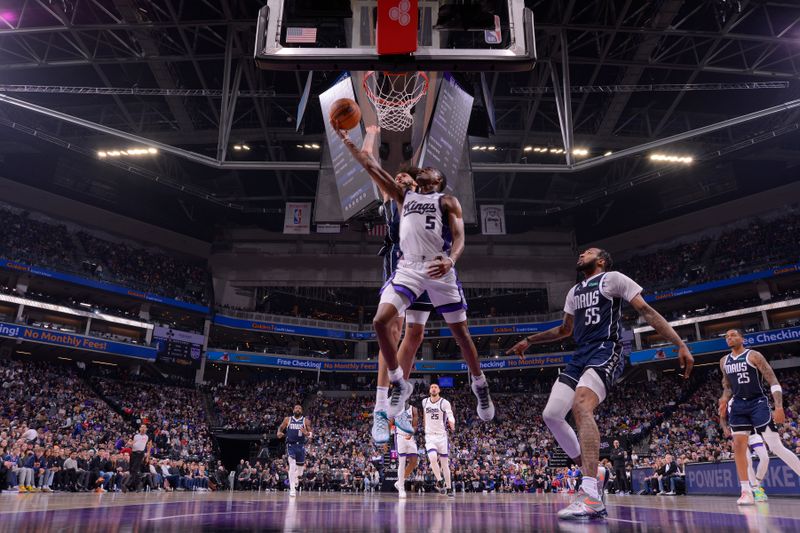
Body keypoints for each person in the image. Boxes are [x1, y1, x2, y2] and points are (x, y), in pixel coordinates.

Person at [508, 247, 694, 520]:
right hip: (580, 354)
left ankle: (591, 494)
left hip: (607, 349)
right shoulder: (574, 292)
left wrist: (679, 343)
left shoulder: (614, 278)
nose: (582, 254)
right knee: (551, 414)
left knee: (581, 406)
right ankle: (594, 471)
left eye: (588, 252)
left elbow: (647, 310)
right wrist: (530, 340)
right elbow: (564, 330)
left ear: (602, 260)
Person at [334, 124, 494, 423]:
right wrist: (347, 140)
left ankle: (479, 383)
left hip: (438, 267)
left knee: (460, 334)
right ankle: (397, 381)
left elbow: (459, 237)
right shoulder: (402, 196)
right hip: (408, 267)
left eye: (431, 170)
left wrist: (452, 259)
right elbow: (369, 163)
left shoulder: (447, 200)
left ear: (438, 181)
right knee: (381, 321)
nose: (427, 170)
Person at [362, 125, 433, 444]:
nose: (400, 178)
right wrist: (372, 132)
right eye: (398, 178)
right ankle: (381, 408)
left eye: (407, 178)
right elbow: (366, 159)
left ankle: (399, 403)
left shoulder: (426, 202)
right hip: (397, 264)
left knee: (413, 338)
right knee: (391, 332)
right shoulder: (392, 196)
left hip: (426, 266)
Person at [718, 328, 800, 505]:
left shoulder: (754, 356)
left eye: (733, 335)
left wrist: (778, 406)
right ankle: (746, 491)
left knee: (775, 446)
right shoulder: (724, 361)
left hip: (758, 403)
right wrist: (724, 399)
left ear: (742, 338)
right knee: (739, 447)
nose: (729, 338)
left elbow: (773, 380)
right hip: (738, 405)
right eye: (726, 336)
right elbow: (728, 386)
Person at [422, 383, 456, 498]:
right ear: (429, 390)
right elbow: (425, 416)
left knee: (445, 464)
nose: (433, 388)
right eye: (432, 387)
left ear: (439, 390)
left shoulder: (444, 402)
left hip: (442, 436)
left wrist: (452, 422)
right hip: (430, 435)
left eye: (436, 387)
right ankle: (440, 480)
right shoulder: (424, 402)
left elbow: (450, 414)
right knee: (431, 457)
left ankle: (449, 487)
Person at [277, 404, 312, 497]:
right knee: (292, 466)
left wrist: (307, 433)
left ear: (302, 411)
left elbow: (311, 434)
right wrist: (279, 432)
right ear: (293, 410)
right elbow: (280, 427)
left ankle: (296, 477)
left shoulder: (305, 420)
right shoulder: (287, 419)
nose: (298, 409)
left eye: (300, 408)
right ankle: (292, 489)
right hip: (290, 445)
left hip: (301, 446)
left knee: (300, 472)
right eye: (296, 408)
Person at [393, 402, 420, 499]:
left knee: (414, 462)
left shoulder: (413, 409)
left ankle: (399, 482)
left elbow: (415, 425)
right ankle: (401, 488)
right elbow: (390, 422)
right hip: (400, 437)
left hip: (410, 437)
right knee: (402, 462)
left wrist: (411, 433)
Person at [128, 425, 148, 492]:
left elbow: (149, 445)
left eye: (144, 427)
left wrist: (147, 454)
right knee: (132, 470)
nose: (143, 428)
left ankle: (138, 485)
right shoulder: (135, 436)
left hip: (140, 454)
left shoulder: (147, 437)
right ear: (139, 428)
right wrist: (130, 443)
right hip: (133, 453)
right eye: (142, 427)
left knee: (134, 469)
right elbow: (129, 442)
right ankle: (133, 486)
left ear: (146, 429)